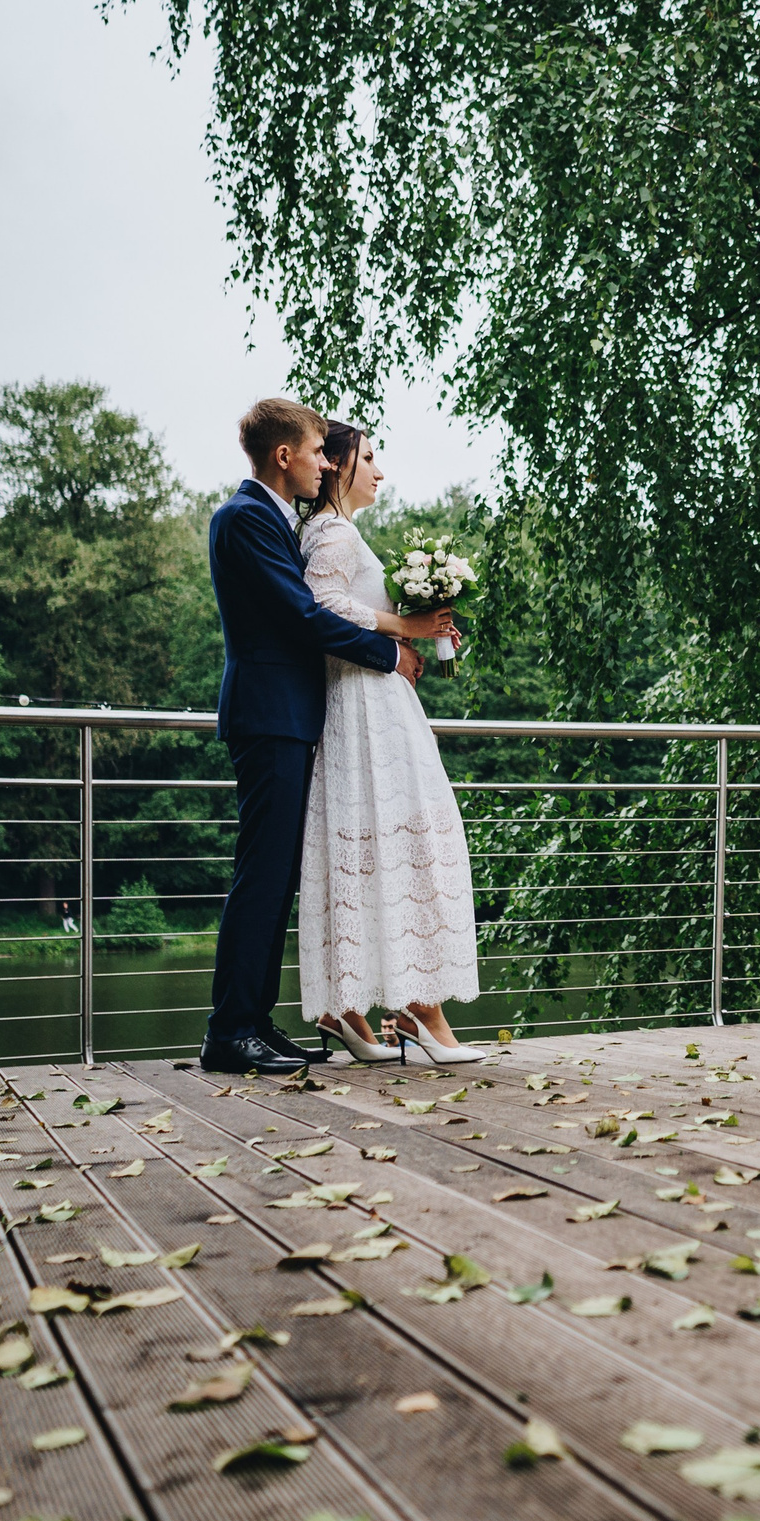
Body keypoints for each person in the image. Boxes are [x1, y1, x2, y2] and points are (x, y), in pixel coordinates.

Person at [200, 396, 422, 1076]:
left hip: (287, 715)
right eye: (318, 451)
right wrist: (391, 651)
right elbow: (301, 614)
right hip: (269, 714)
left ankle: (254, 1023)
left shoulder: (266, 519)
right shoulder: (244, 519)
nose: (326, 464)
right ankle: (229, 1030)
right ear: (284, 455)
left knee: (275, 877)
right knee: (261, 876)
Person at [294, 419, 486, 1065]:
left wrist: (422, 632)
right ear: (341, 465)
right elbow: (320, 605)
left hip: (368, 699)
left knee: (370, 850)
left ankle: (347, 1005)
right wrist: (403, 624)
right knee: (406, 843)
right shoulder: (334, 531)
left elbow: (341, 603)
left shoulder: (338, 532)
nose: (379, 469)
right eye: (369, 457)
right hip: (365, 708)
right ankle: (417, 1008)